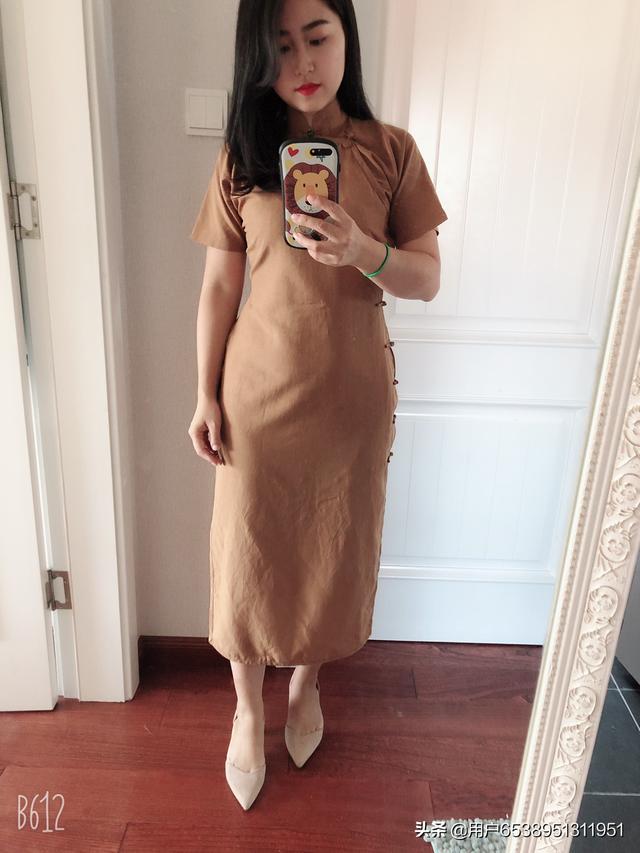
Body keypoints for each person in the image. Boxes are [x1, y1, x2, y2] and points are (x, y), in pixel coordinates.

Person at [187, 0, 448, 810]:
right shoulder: (243, 155)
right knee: (247, 556)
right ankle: (246, 708)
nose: (301, 60)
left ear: (346, 39)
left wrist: (365, 251)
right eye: (280, 44)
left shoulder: (390, 151)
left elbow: (428, 277)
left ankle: (304, 685)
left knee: (334, 551)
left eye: (317, 36)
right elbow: (220, 285)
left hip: (350, 398)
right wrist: (203, 392)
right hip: (257, 398)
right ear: (256, 58)